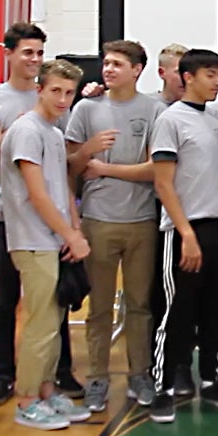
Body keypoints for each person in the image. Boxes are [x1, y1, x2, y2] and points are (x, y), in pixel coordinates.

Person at [0, 23, 82, 407]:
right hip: (10, 219)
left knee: (53, 308)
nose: (33, 59)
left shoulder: (54, 125)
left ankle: (52, 381)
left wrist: (72, 228)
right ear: (8, 52)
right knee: (9, 303)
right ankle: (8, 378)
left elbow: (60, 178)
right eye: (27, 52)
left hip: (51, 228)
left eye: (40, 52)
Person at [65, 40, 167, 412]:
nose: (108, 70)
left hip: (141, 221)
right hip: (98, 219)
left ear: (137, 69)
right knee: (99, 308)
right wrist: (88, 150)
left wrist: (106, 168)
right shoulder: (87, 108)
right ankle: (97, 377)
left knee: (140, 305)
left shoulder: (154, 109)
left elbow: (156, 168)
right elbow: (72, 166)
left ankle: (140, 373)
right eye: (106, 63)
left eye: (117, 64)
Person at [1, 60, 93, 430]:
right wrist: (69, 235)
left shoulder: (54, 133)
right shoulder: (26, 131)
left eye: (69, 93)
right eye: (55, 90)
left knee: (54, 322)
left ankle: (46, 390)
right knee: (40, 322)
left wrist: (75, 229)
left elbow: (62, 189)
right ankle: (25, 400)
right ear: (39, 88)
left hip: (55, 238)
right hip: (32, 238)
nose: (62, 98)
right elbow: (37, 195)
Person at [149, 50, 218, 423]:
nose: (217, 81)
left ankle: (213, 379)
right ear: (187, 77)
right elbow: (163, 183)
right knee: (176, 312)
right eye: (210, 74)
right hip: (184, 229)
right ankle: (163, 387)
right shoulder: (170, 120)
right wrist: (186, 233)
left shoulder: (217, 120)